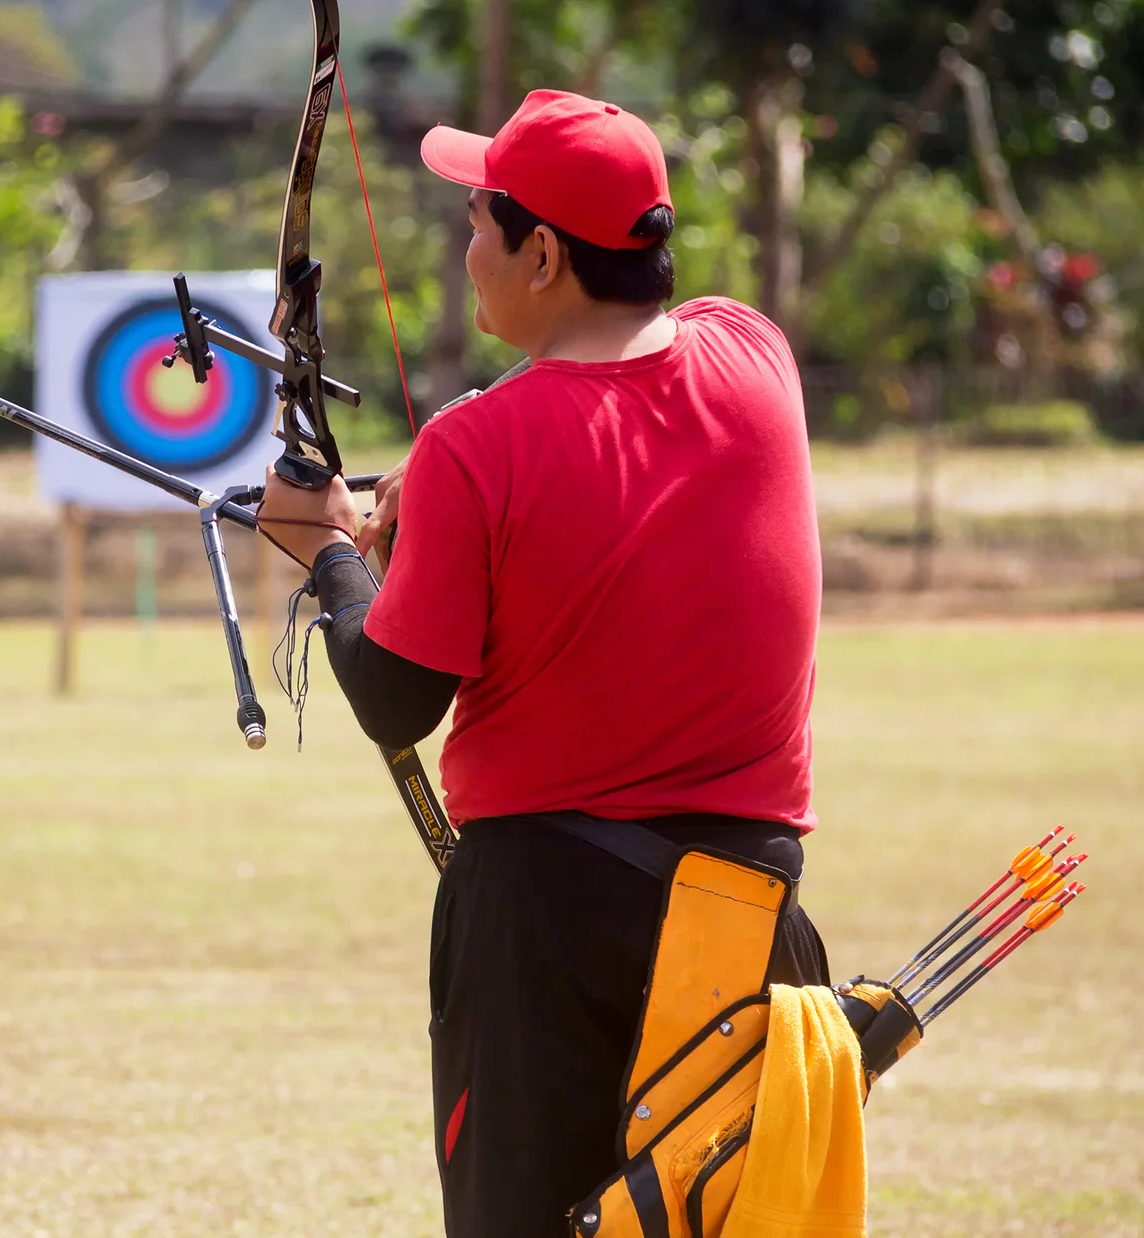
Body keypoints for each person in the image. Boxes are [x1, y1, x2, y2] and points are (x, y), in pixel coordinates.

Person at [256, 88, 828, 1237]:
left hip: (552, 934)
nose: (466, 249)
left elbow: (395, 696)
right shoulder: (755, 358)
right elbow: (615, 444)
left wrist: (325, 553)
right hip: (748, 905)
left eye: (479, 222)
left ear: (546, 252)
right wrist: (441, 492)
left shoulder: (478, 447)